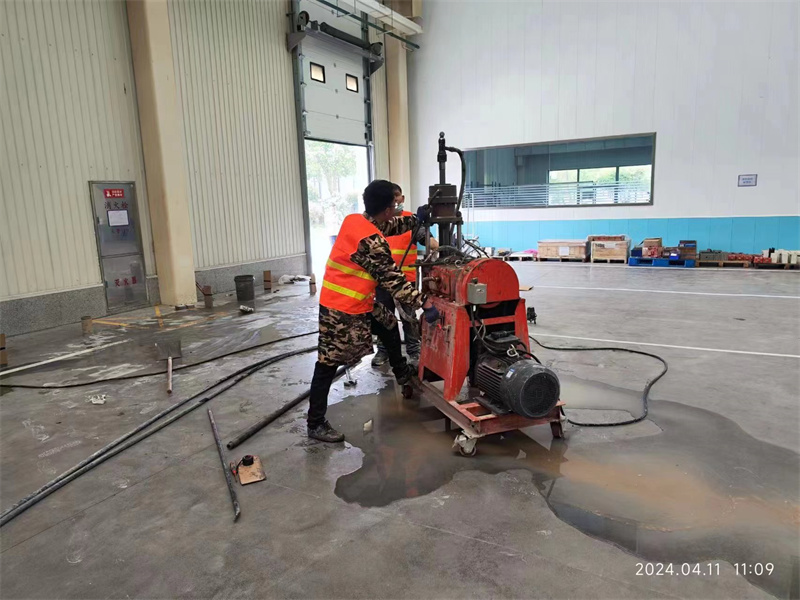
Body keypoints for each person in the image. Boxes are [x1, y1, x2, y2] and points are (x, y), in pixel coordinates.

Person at [308, 179, 440, 443]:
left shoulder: (355, 220)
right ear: (389, 208)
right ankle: (315, 423)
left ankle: (402, 372)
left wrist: (416, 219)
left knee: (389, 324)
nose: (396, 209)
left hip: (360, 301)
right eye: (395, 205)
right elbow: (394, 281)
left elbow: (389, 225)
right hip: (341, 309)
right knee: (327, 363)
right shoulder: (372, 242)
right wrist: (425, 303)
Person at [372, 184, 438, 366]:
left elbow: (429, 241)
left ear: (403, 198)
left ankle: (413, 350)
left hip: (406, 278)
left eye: (398, 197)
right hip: (382, 280)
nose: (396, 201)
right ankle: (383, 350)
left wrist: (438, 245)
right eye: (392, 198)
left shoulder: (411, 219)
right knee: (384, 316)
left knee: (408, 317)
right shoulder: (378, 221)